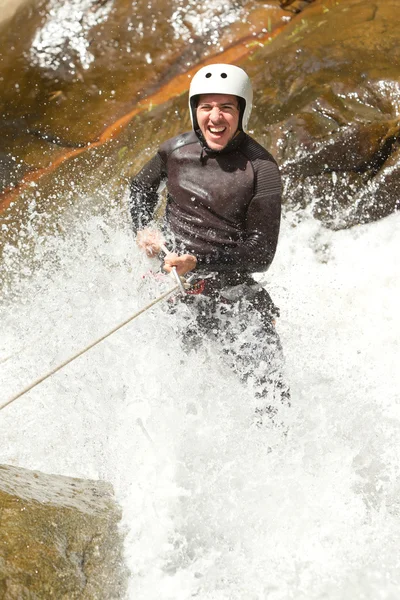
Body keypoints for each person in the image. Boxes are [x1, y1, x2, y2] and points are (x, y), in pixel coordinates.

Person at [129, 63, 290, 425]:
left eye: (226, 108)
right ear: (194, 111)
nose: (215, 117)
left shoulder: (262, 168)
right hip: (174, 293)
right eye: (206, 107)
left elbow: (262, 253)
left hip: (234, 298)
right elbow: (139, 189)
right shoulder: (174, 152)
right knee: (172, 402)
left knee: (271, 401)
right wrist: (143, 229)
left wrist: (198, 261)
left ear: (242, 112)